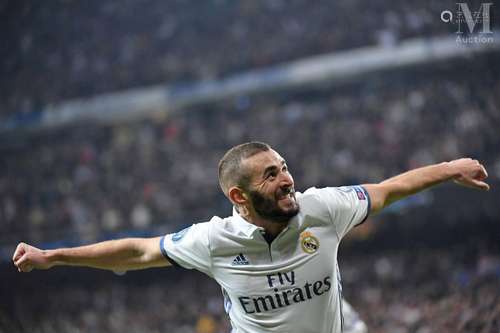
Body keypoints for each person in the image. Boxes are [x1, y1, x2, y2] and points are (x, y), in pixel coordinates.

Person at [12, 142, 489, 333]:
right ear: (239, 195)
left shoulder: (323, 209)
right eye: (270, 175)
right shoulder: (213, 241)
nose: (287, 180)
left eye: (284, 168)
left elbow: (387, 191)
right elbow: (137, 250)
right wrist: (54, 256)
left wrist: (449, 169)